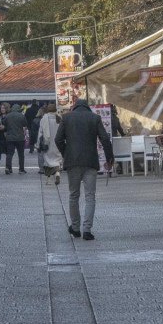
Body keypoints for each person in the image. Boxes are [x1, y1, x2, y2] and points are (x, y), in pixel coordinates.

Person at [55, 96, 113, 240]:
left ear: (74, 107)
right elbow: (105, 139)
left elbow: (58, 139)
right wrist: (109, 158)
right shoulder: (95, 118)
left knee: (74, 195)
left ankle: (75, 228)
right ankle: (87, 230)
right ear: (87, 107)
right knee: (90, 196)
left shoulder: (66, 118)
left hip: (72, 162)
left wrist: (66, 153)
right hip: (90, 161)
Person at [36, 103, 62, 184]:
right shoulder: (59, 118)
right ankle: (57, 173)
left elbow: (40, 132)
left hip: (47, 143)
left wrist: (38, 144)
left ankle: (48, 180)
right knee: (56, 160)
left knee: (47, 161)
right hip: (57, 143)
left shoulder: (44, 119)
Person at [4, 104, 28, 173]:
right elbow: (25, 124)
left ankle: (8, 168)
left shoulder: (8, 116)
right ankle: (21, 169)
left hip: (10, 138)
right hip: (20, 138)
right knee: (21, 154)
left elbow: (4, 124)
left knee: (9, 154)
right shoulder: (21, 116)